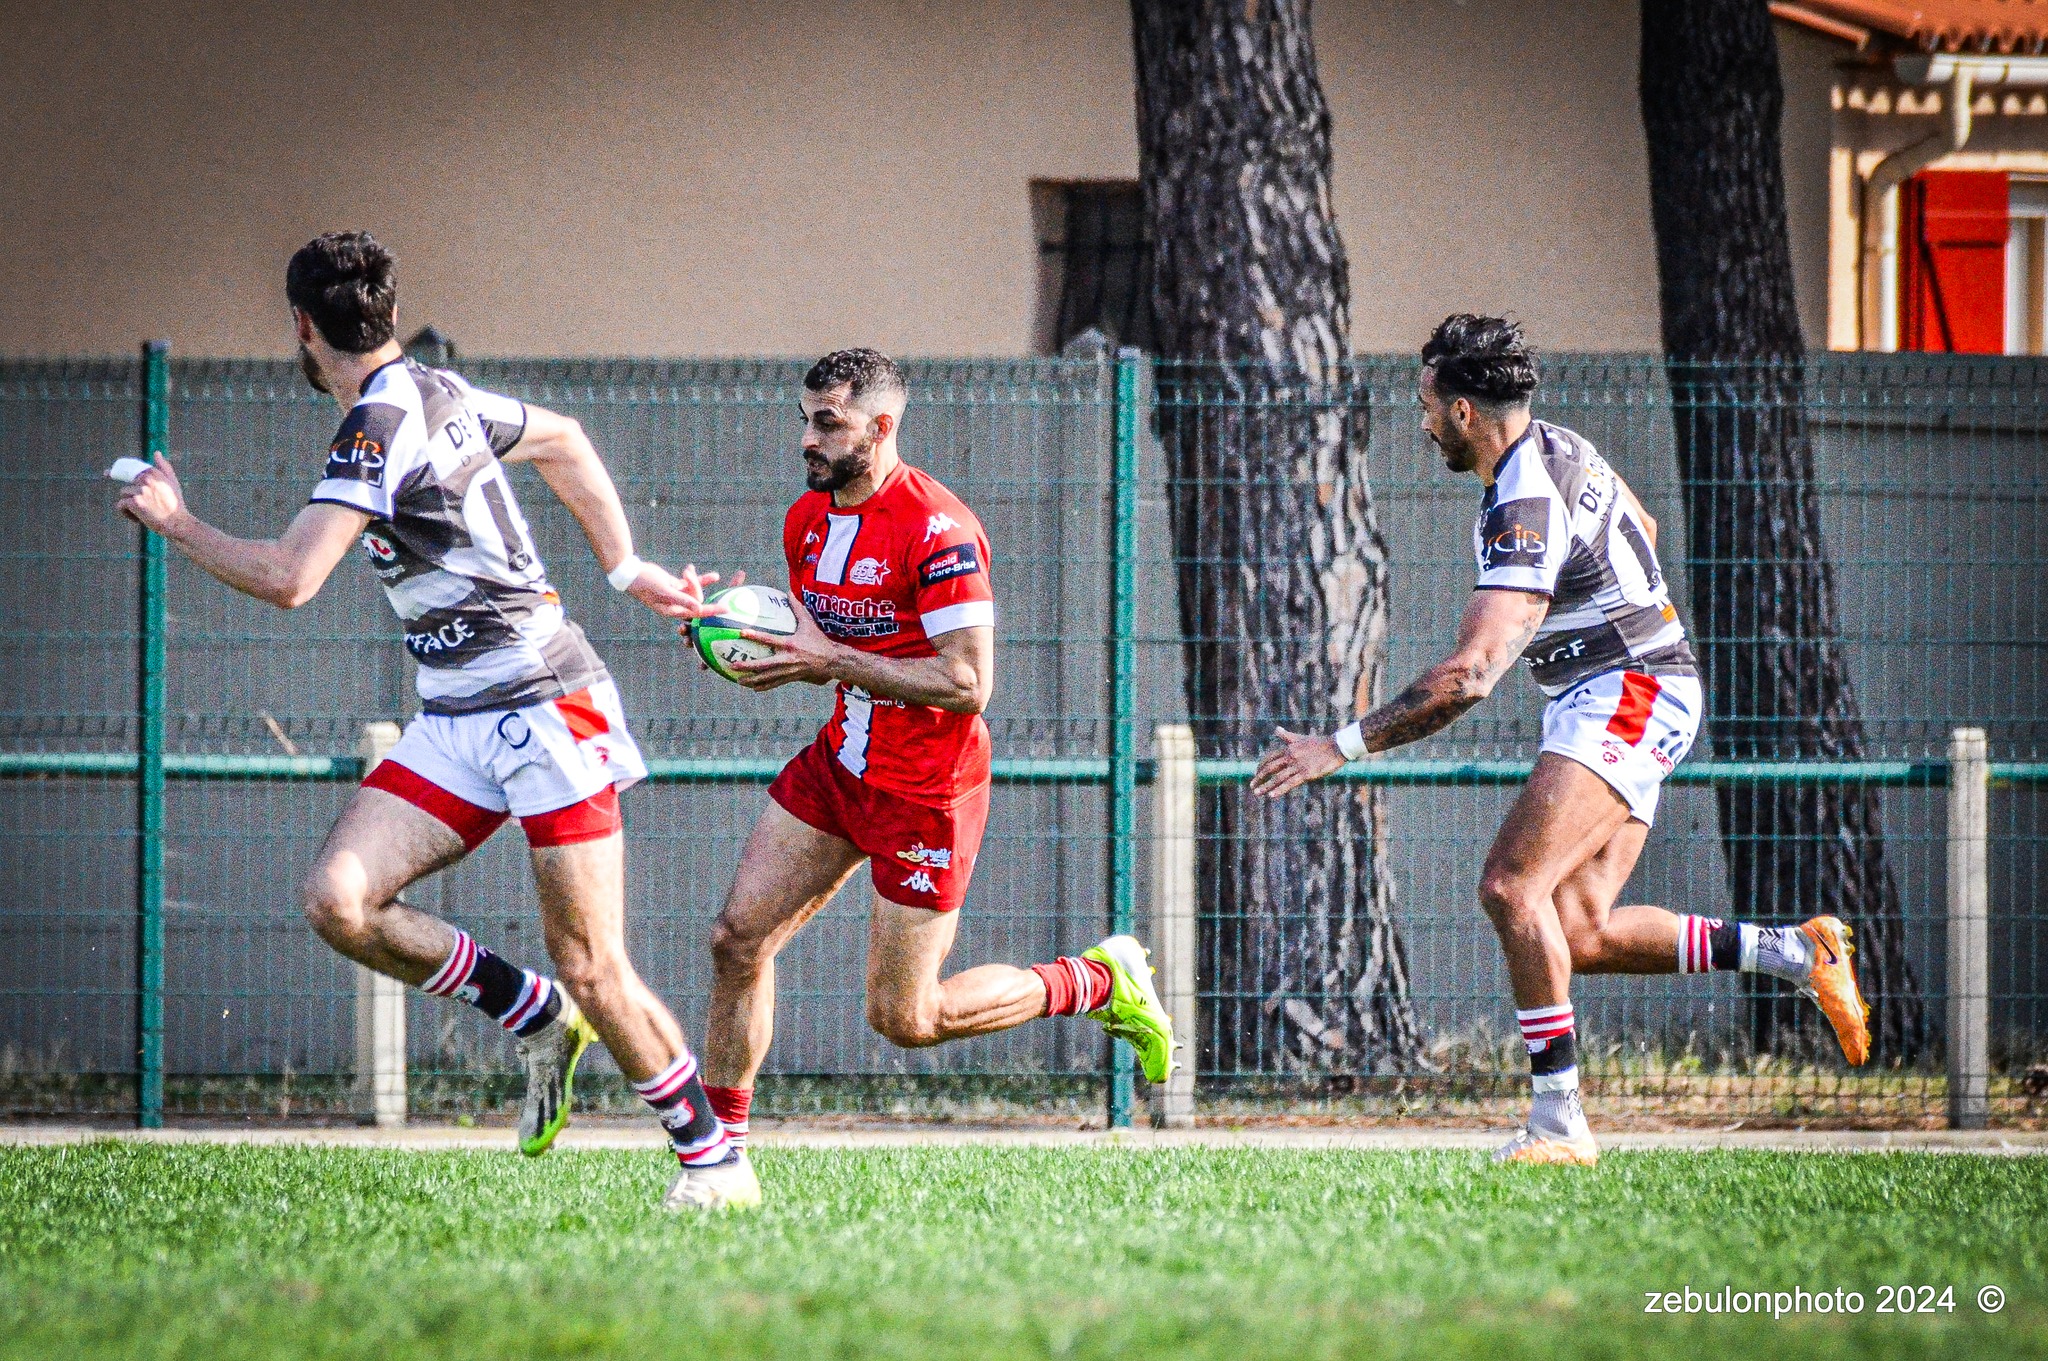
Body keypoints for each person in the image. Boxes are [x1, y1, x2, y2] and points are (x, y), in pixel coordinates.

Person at [114, 230, 756, 1210]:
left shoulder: (375, 424)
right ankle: (528, 1012)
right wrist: (626, 568)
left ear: (300, 326)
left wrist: (176, 522)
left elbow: (291, 578)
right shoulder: (434, 390)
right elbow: (566, 440)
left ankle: (714, 1162)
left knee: (593, 961)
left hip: (544, 706)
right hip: (457, 714)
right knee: (340, 897)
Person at [1251, 314, 1869, 1166]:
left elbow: (1469, 676)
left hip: (1628, 692)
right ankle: (1798, 949)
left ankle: (1557, 1123)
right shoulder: (1561, 445)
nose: (1422, 420)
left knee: (1510, 888)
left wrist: (1339, 745)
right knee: (1577, 929)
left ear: (1464, 412)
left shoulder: (1519, 505)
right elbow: (1642, 528)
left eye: (1427, 404)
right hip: (1638, 685)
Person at [693, 348, 1175, 1157]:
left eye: (827, 423)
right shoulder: (805, 521)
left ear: (881, 427)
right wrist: (735, 642)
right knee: (736, 940)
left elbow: (967, 682)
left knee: (906, 1018)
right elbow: (815, 655)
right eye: (804, 420)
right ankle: (717, 1157)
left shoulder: (938, 529)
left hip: (927, 789)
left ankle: (1095, 980)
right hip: (840, 765)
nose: (807, 440)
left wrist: (828, 662)